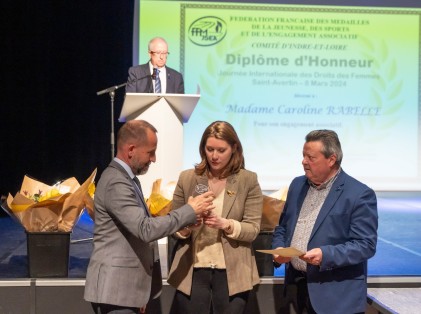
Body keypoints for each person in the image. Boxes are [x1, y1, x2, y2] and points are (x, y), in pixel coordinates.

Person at [84, 120, 215, 313]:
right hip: (115, 292)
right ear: (131, 150)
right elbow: (145, 229)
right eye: (150, 152)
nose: (153, 159)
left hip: (126, 292)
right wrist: (189, 210)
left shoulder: (127, 179)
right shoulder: (116, 183)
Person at [271, 129, 378, 314]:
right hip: (298, 289)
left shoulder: (359, 194)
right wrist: (279, 248)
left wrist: (325, 255)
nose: (304, 161)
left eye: (311, 157)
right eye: (303, 156)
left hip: (336, 298)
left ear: (331, 159)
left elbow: (365, 245)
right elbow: (282, 227)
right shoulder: (297, 185)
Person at [167, 121, 263, 314]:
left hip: (232, 272)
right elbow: (173, 224)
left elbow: (252, 229)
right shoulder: (187, 178)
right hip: (193, 271)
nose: (214, 156)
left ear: (234, 148)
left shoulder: (247, 180)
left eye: (221, 150)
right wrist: (188, 227)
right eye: (209, 149)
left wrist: (226, 224)